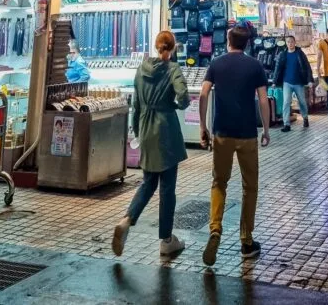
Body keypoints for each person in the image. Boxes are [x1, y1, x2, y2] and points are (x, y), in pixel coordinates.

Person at [112, 31, 189, 258]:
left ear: (157, 46)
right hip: (166, 131)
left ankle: (127, 220)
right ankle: (166, 240)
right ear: (172, 48)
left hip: (145, 128)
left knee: (148, 182)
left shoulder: (141, 69)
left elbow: (136, 105)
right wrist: (175, 106)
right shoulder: (172, 69)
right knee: (167, 188)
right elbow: (184, 97)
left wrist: (138, 131)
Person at [199, 25, 270, 266]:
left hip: (222, 133)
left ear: (228, 41)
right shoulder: (255, 66)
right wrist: (266, 129)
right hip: (247, 134)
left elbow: (203, 94)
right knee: (250, 186)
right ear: (247, 43)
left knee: (219, 182)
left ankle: (215, 230)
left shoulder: (216, 64)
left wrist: (203, 126)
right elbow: (263, 100)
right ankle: (246, 241)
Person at [272, 35, 313, 132]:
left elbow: (307, 67)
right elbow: (277, 69)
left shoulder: (300, 53)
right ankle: (286, 124)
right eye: (288, 42)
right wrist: (274, 81)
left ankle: (305, 118)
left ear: (295, 43)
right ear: (286, 43)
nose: (290, 44)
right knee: (286, 102)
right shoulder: (283, 54)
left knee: (302, 102)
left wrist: (309, 80)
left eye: (291, 42)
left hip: (299, 83)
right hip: (287, 82)